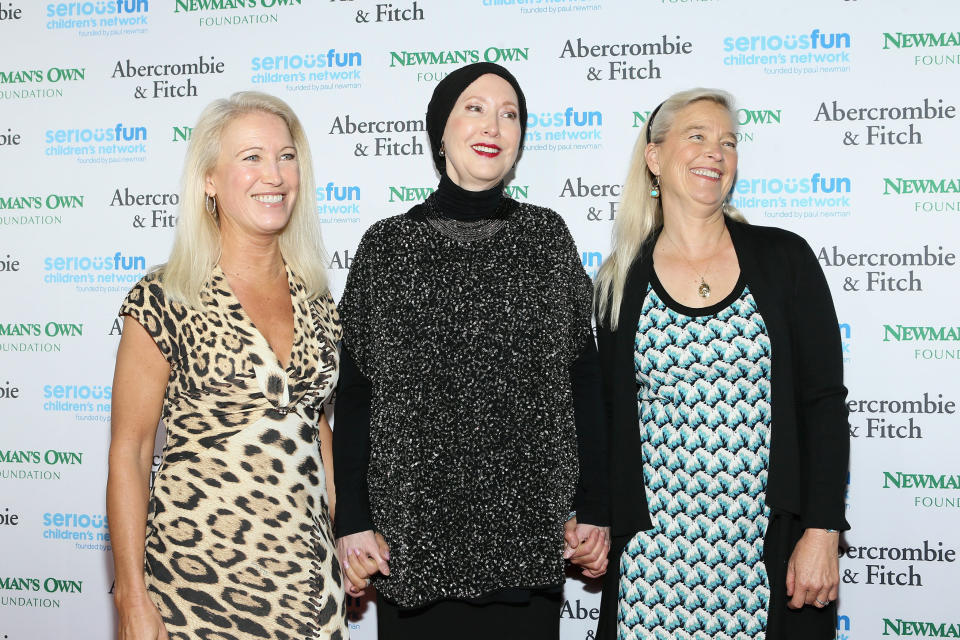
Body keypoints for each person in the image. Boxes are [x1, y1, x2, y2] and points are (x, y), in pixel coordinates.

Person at [332, 62, 610, 640]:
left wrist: (595, 504)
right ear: (441, 131)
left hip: (527, 540)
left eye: (510, 115)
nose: (494, 125)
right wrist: (353, 519)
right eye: (475, 108)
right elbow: (356, 397)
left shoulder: (546, 239)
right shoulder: (387, 247)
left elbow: (584, 381)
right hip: (412, 541)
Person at [593, 88, 850, 640]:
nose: (716, 152)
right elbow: (606, 421)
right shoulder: (619, 281)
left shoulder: (786, 260)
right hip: (652, 568)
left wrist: (823, 531)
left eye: (728, 142)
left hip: (767, 554)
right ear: (655, 157)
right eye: (698, 136)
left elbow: (824, 405)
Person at [106, 91, 348, 640]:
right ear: (209, 179)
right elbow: (131, 450)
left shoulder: (317, 299)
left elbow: (311, 424)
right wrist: (131, 599)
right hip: (197, 587)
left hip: (310, 589)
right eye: (252, 157)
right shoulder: (165, 296)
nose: (275, 174)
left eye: (287, 157)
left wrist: (348, 527)